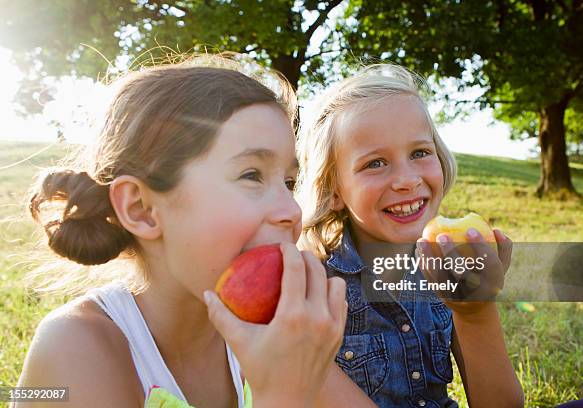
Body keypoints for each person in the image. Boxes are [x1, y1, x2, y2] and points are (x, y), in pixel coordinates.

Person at [13, 55, 348, 408]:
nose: (292, 211)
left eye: (289, 182)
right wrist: (284, 395)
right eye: (251, 175)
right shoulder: (74, 346)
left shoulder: (275, 336)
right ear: (140, 208)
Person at [296, 64, 525, 408]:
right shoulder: (312, 286)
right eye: (375, 163)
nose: (406, 179)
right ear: (334, 191)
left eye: (419, 153)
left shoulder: (448, 268)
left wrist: (476, 311)